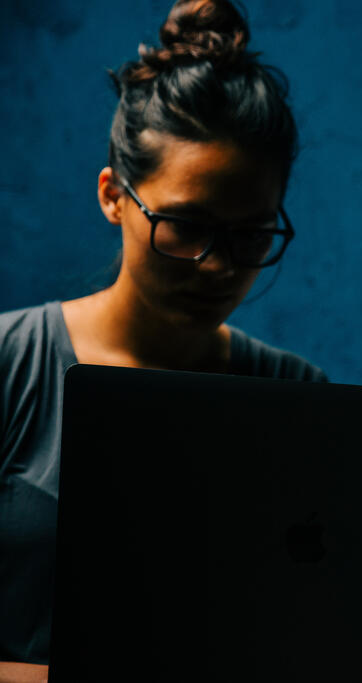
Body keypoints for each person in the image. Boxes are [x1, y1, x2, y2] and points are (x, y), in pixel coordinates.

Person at [0, 0, 326, 671]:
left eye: (252, 234)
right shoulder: (11, 366)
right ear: (113, 195)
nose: (220, 264)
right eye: (186, 226)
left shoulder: (300, 400)